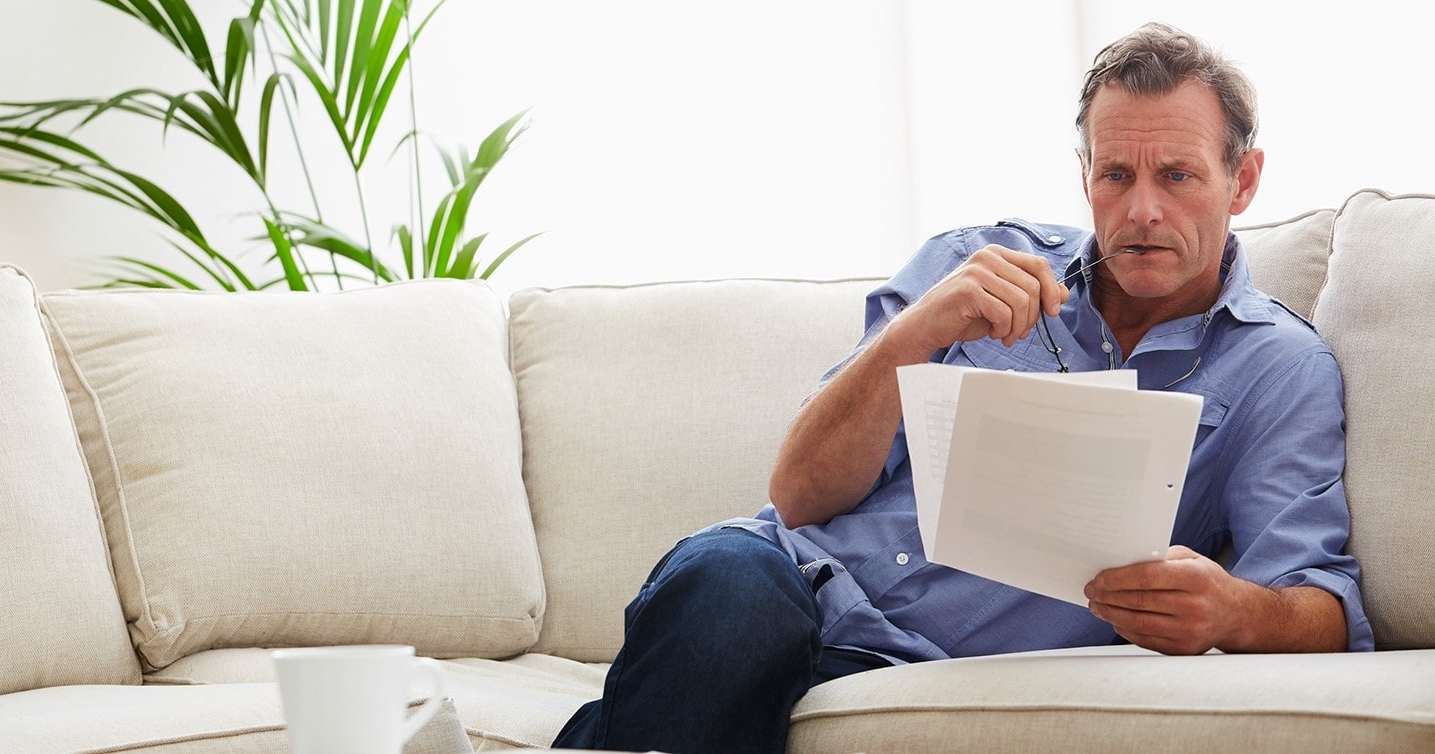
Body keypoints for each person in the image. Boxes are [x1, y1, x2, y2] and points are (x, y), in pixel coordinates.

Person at [551, 22, 1372, 754]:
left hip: (899, 660)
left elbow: (1321, 605)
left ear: (1246, 179)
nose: (1143, 210)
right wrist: (914, 336)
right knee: (728, 604)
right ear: (1083, 173)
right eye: (1116, 174)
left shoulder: (1279, 369)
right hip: (777, 576)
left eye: (1179, 176)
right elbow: (797, 496)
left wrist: (1233, 612)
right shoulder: (976, 263)